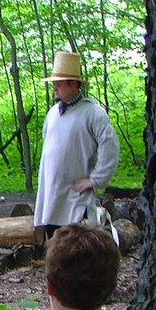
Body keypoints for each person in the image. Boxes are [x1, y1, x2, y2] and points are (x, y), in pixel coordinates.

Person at [34, 50, 120, 240]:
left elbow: (110, 146)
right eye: (54, 83)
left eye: (59, 82)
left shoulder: (93, 113)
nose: (54, 87)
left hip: (75, 200)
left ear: (73, 83)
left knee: (79, 251)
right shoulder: (52, 114)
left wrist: (95, 180)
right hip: (52, 198)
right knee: (56, 250)